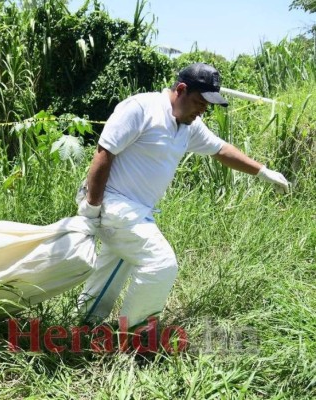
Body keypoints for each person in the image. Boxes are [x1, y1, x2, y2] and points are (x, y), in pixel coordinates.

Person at [77, 63, 290, 331]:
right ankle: (134, 333)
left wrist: (263, 171)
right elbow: (103, 154)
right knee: (160, 262)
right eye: (200, 102)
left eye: (207, 106)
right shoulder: (141, 108)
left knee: (115, 265)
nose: (203, 110)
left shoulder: (189, 125)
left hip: (135, 210)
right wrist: (92, 208)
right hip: (114, 204)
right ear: (181, 89)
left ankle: (85, 324)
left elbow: (221, 150)